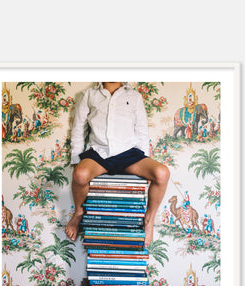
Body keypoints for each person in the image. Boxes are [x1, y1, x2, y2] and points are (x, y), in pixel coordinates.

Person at [65, 82, 170, 245]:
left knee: (162, 173)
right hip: (99, 153)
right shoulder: (89, 95)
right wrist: (75, 160)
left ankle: (149, 220)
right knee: (79, 175)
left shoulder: (134, 96)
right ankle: (79, 213)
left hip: (129, 154)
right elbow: (78, 130)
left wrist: (145, 163)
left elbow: (142, 131)